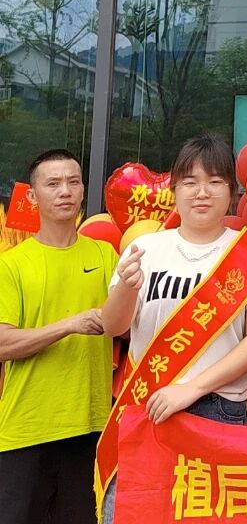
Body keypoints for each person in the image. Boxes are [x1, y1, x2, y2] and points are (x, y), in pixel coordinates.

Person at [99, 134, 247, 523]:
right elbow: (113, 326)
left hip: (217, 408)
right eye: (190, 182)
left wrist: (192, 389)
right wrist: (126, 289)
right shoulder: (146, 250)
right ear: (175, 189)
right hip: (147, 401)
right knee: (132, 511)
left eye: (215, 181)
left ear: (231, 192)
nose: (202, 192)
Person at [0, 150, 115, 524]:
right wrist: (69, 325)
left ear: (83, 190)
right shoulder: (12, 264)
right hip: (25, 429)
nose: (65, 191)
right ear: (32, 196)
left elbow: (126, 324)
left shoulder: (106, 255)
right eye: (53, 184)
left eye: (73, 182)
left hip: (91, 426)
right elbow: (3, 344)